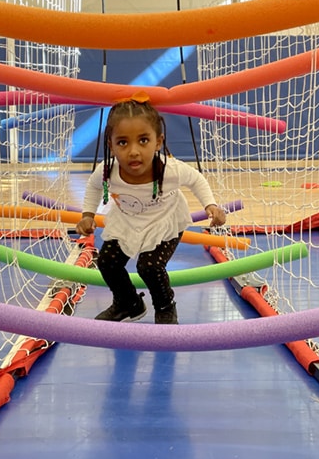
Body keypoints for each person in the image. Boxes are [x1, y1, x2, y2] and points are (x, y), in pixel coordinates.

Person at [76, 97, 227, 324]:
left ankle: (165, 307)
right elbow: (93, 186)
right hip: (128, 221)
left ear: (158, 142)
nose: (133, 151)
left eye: (143, 140)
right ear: (111, 144)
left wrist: (211, 205)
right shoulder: (108, 170)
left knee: (150, 267)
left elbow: (197, 180)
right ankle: (128, 303)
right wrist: (87, 214)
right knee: (107, 262)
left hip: (165, 223)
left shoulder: (169, 169)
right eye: (123, 143)